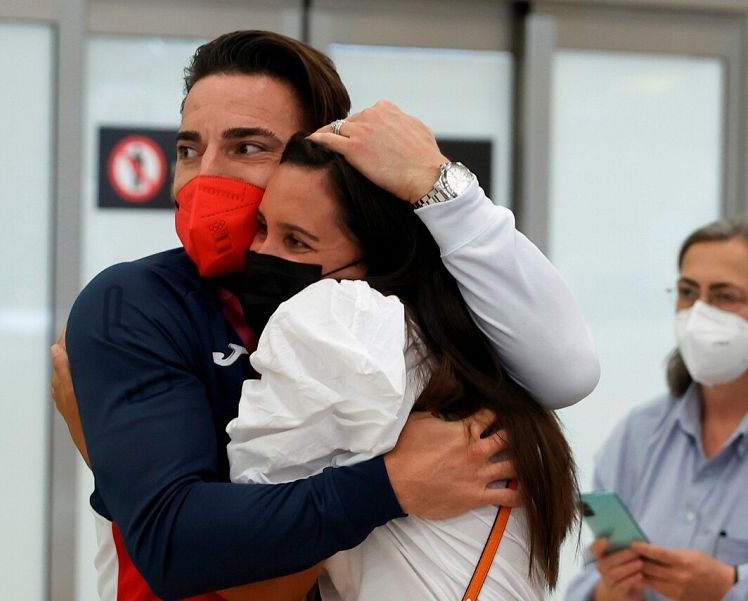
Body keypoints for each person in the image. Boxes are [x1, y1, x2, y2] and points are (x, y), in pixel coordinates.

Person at [53, 30, 599, 599]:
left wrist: (440, 184)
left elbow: (567, 370)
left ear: (322, 154)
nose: (204, 178)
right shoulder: (139, 302)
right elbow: (178, 542)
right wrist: (391, 484)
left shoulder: (365, 302)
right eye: (189, 149)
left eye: (247, 148)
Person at [224, 135, 579, 600]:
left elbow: (253, 577)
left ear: (376, 257)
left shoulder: (341, 316)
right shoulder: (472, 347)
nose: (264, 254)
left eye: (298, 241)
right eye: (262, 227)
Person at [565, 215, 748, 601]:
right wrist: (608, 591)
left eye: (725, 296)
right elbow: (588, 578)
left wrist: (730, 586)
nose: (699, 314)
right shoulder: (638, 434)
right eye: (687, 291)